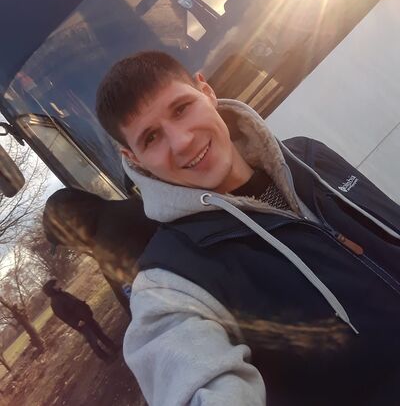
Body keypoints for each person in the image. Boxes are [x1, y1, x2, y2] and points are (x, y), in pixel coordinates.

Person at [95, 50, 400, 406]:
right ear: (134, 159)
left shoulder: (309, 157)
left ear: (206, 91)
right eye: (151, 138)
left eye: (181, 108)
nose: (181, 141)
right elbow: (188, 375)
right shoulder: (168, 282)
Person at [42, 188, 158, 314]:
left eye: (65, 242)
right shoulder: (136, 203)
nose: (72, 247)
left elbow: (140, 308)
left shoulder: (110, 253)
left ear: (71, 230)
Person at [42, 279, 119, 361]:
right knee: (93, 341)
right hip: (81, 323)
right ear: (53, 287)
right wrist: (77, 322)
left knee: (99, 333)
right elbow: (65, 317)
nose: (59, 283)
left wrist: (86, 310)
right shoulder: (55, 303)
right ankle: (106, 358)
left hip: (86, 317)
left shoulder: (63, 294)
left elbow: (76, 303)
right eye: (56, 283)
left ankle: (113, 347)